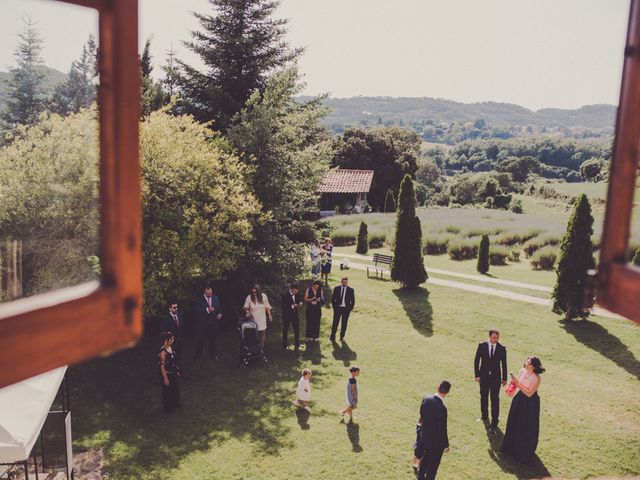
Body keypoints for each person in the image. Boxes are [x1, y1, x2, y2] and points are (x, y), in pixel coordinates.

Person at [501, 357, 545, 463]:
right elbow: (515, 385)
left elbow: (529, 393)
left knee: (525, 426)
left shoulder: (537, 378)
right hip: (519, 399)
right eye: (526, 361)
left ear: (533, 367)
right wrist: (511, 388)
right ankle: (510, 447)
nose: (525, 363)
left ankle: (522, 451)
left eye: (528, 363)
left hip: (530, 403)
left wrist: (517, 383)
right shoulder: (522, 371)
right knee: (514, 421)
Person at [415, 380, 451, 480]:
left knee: (423, 465)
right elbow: (442, 429)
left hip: (425, 438)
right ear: (446, 393)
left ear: (437, 387)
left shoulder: (426, 399)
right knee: (432, 470)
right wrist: (446, 445)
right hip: (436, 444)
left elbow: (421, 415)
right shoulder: (442, 409)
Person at [473, 328, 507, 428]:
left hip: (496, 379)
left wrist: (504, 379)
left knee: (495, 399)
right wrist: (477, 375)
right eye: (494, 337)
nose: (495, 339)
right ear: (489, 336)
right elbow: (476, 361)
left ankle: (495, 421)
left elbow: (504, 364)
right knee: (483, 396)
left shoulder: (502, 348)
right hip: (483, 377)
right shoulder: (482, 346)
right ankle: (484, 416)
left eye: (497, 338)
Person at [194, 286, 223, 361]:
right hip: (203, 323)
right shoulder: (199, 300)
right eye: (208, 293)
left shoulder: (215, 298)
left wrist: (219, 314)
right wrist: (207, 309)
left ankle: (213, 355)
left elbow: (219, 308)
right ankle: (198, 356)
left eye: (211, 293)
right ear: (205, 292)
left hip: (213, 322)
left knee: (213, 340)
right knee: (201, 340)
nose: (210, 294)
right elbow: (197, 310)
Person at [244, 285, 273, 352]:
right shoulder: (249, 297)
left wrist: (269, 315)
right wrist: (247, 312)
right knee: (254, 334)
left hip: (262, 318)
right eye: (253, 292)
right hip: (253, 319)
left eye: (255, 292)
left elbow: (267, 306)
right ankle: (253, 348)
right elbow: (246, 307)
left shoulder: (264, 296)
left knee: (262, 333)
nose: (254, 293)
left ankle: (261, 348)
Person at [159, 332, 181, 413]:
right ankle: (167, 409)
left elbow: (174, 360)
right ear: (166, 340)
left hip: (173, 373)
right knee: (167, 392)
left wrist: (177, 370)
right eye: (171, 339)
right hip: (168, 374)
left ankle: (175, 403)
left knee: (175, 389)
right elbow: (162, 366)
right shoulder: (163, 352)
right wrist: (165, 378)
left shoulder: (171, 348)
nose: (173, 340)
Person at [330, 277, 355, 341]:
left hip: (346, 309)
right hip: (338, 308)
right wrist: (334, 307)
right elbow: (333, 299)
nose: (345, 283)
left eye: (346, 282)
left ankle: (342, 337)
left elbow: (353, 301)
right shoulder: (337, 288)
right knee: (335, 322)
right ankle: (332, 336)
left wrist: (350, 309)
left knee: (344, 323)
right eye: (343, 282)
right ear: (341, 282)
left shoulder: (351, 290)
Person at [281, 283, 304, 351]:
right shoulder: (285, 295)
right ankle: (284, 345)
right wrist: (292, 306)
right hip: (286, 315)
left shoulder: (297, 294)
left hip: (294, 314)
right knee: (285, 329)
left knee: (296, 329)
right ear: (292, 289)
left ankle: (297, 343)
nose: (296, 293)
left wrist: (300, 302)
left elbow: (299, 300)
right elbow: (283, 306)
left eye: (297, 291)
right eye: (295, 291)